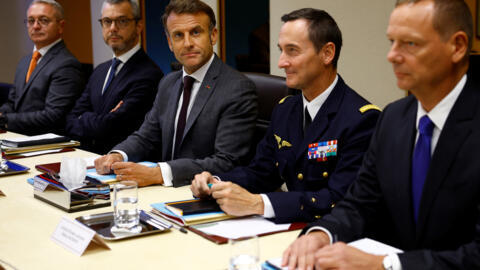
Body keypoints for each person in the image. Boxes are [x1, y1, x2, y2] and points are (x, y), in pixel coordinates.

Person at [282, 0, 480, 269]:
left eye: (410, 43)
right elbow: (361, 201)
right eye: (392, 42)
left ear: (457, 46)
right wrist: (321, 233)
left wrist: (385, 264)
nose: (392, 55)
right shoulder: (394, 118)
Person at [191, 8, 380, 224]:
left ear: (327, 53)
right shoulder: (286, 108)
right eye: (281, 50)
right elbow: (261, 171)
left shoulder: (362, 119)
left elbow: (339, 198)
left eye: (292, 51)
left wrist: (259, 204)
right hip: (290, 226)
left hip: (334, 235)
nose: (281, 62)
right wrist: (215, 182)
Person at [94, 0, 257, 187]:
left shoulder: (237, 88)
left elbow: (227, 161)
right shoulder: (168, 83)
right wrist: (117, 154)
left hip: (205, 194)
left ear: (213, 35)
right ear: (170, 43)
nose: (187, 43)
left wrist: (159, 173)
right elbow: (146, 136)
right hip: (164, 194)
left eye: (195, 32)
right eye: (178, 35)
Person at [64, 0, 163, 154]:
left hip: (123, 166)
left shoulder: (149, 74)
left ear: (139, 26)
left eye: (122, 21)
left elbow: (110, 128)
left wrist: (85, 118)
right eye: (107, 21)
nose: (113, 28)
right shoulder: (99, 71)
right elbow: (70, 120)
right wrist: (102, 119)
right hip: (88, 161)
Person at [0, 0, 85, 135]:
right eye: (31, 20)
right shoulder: (25, 61)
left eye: (43, 20)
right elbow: (12, 103)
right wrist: (2, 113)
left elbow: (53, 116)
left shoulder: (67, 64)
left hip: (46, 143)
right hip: (18, 137)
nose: (35, 26)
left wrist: (5, 119)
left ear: (61, 26)